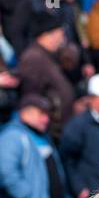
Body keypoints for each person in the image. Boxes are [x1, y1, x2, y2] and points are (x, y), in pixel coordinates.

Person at [0, 92, 67, 198]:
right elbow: (6, 173)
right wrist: (25, 196)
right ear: (25, 113)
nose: (46, 119)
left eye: (47, 114)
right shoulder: (11, 136)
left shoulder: (41, 136)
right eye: (41, 114)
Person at [16, 12, 79, 141]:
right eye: (60, 34)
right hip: (48, 130)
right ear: (47, 34)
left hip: (59, 126)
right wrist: (48, 115)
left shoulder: (48, 56)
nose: (62, 39)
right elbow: (30, 95)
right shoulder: (33, 58)